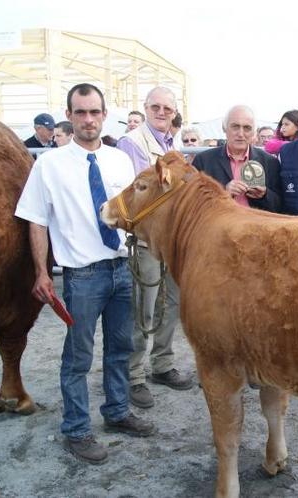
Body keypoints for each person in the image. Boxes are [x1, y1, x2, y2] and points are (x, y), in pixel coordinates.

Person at [15, 83, 154, 465]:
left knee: (120, 348)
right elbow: (37, 220)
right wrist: (42, 272)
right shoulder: (49, 164)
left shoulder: (119, 161)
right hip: (81, 276)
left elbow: (132, 213)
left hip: (121, 269)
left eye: (94, 112)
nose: (88, 119)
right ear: (70, 115)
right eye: (80, 112)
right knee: (77, 357)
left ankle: (118, 410)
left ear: (104, 114)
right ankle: (76, 430)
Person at [117, 86, 192, 409]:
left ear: (175, 113)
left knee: (171, 303)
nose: (162, 112)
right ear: (145, 108)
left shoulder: (172, 145)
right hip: (148, 239)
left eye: (168, 109)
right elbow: (138, 193)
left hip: (172, 240)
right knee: (143, 306)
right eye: (156, 107)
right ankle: (134, 374)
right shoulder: (130, 143)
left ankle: (162, 364)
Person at [192, 105, 282, 212]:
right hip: (220, 226)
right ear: (224, 128)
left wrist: (264, 194)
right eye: (235, 127)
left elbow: (280, 206)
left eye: (247, 128)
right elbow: (192, 203)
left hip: (256, 226)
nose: (240, 134)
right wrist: (223, 193)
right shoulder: (203, 161)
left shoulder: (270, 162)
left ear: (254, 132)